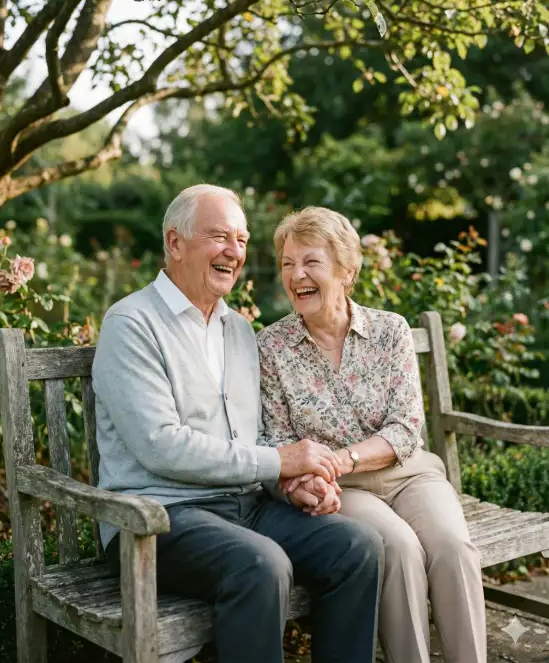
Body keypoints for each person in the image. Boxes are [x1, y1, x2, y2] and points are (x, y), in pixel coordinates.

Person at [92, 185, 384, 663]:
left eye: (243, 240)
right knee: (260, 563)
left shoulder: (240, 331)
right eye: (219, 237)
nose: (234, 252)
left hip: (242, 508)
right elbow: (161, 446)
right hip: (157, 519)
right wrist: (280, 461)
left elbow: (251, 441)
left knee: (356, 545)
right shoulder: (131, 324)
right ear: (174, 243)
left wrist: (293, 486)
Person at [257, 206, 487, 663]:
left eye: (311, 262)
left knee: (452, 546)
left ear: (346, 271)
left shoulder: (389, 330)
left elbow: (405, 428)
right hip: (344, 491)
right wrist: (309, 484)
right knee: (398, 549)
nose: (296, 274)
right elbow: (277, 441)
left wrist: (341, 458)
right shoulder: (271, 347)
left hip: (410, 474)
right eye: (287, 263)